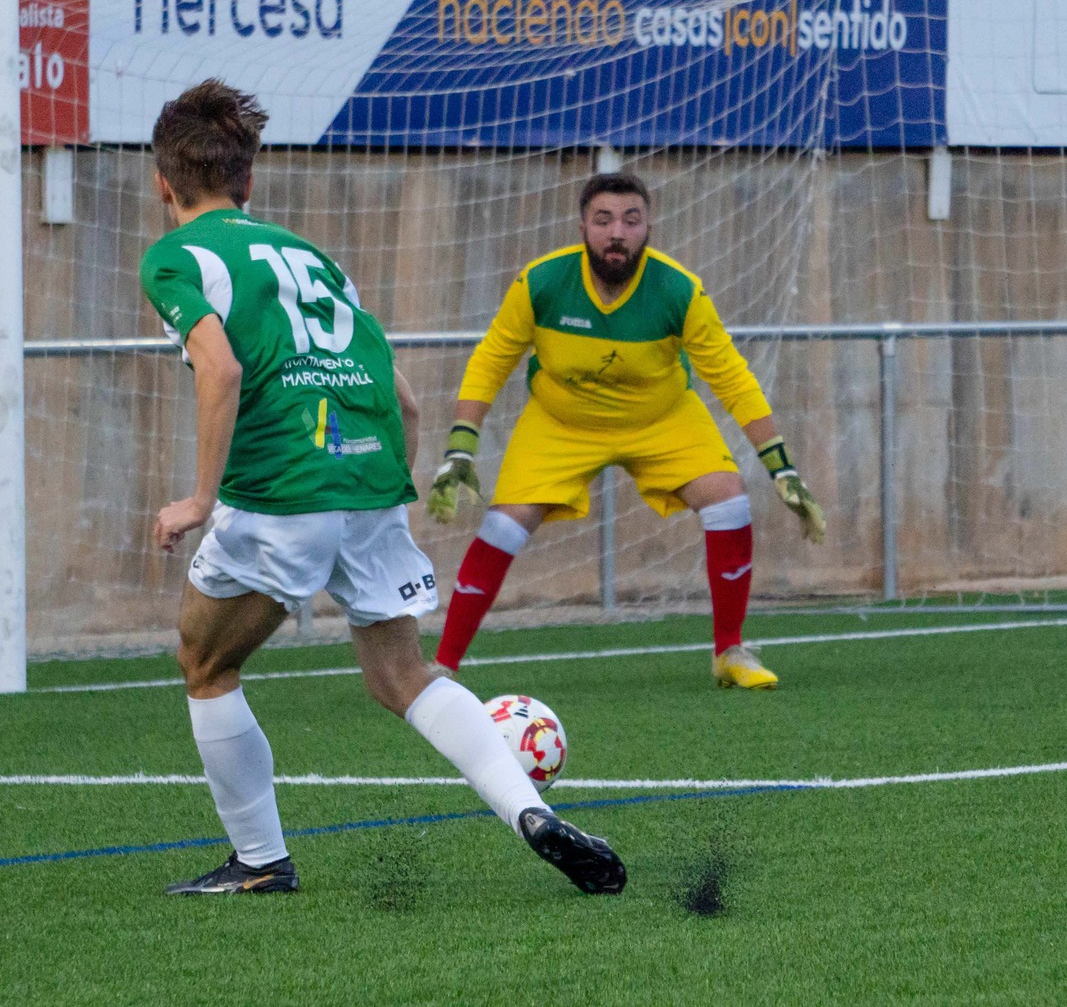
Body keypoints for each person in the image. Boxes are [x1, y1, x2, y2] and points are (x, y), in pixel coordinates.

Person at [139, 79, 624, 897]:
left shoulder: (175, 256)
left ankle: (260, 860)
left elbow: (218, 368)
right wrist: (374, 491)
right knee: (402, 675)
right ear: (249, 181)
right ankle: (528, 810)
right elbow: (402, 396)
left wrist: (198, 498)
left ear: (164, 184)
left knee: (203, 661)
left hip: (282, 485)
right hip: (368, 473)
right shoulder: (313, 259)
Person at [426, 170, 826, 689]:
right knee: (504, 524)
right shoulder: (541, 282)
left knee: (729, 498)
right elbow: (490, 360)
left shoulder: (679, 289)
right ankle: (442, 668)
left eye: (631, 220)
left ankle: (730, 651)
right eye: (604, 219)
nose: (617, 232)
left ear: (649, 226)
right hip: (561, 421)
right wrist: (460, 447)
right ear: (582, 226)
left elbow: (731, 376)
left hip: (661, 417)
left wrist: (782, 467)